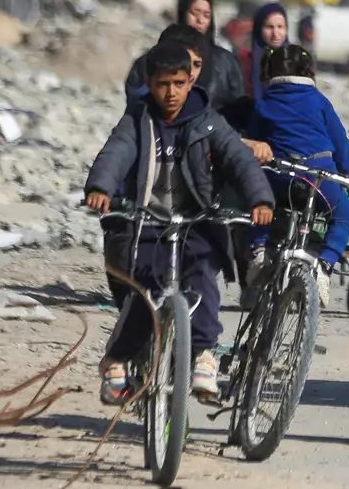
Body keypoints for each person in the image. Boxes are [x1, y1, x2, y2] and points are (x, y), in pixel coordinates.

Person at [84, 43, 274, 404]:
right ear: (149, 84)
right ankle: (117, 358)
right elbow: (116, 153)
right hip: (148, 221)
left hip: (196, 220)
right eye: (162, 84)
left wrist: (260, 199)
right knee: (145, 290)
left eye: (178, 83)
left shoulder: (208, 120)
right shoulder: (138, 120)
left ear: (190, 82)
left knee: (202, 279)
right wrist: (100, 188)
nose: (170, 92)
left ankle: (204, 355)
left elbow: (239, 159)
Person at [245, 44, 349, 297]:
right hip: (318, 175)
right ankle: (324, 267)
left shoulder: (265, 102)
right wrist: (347, 174)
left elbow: (254, 140)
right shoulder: (319, 101)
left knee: (261, 204)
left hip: (278, 174)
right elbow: (340, 144)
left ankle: (259, 250)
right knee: (344, 217)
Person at [125, 0, 247, 127]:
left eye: (206, 15)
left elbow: (238, 107)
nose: (200, 20)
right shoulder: (151, 61)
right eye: (195, 13)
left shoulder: (225, 61)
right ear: (183, 13)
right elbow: (136, 102)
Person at [244, 3, 291, 101]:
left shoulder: (297, 61)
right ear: (259, 29)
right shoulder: (245, 64)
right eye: (269, 27)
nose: (275, 33)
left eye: (280, 27)